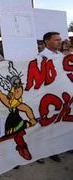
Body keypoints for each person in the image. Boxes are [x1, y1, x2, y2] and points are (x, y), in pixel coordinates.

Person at [36, 31, 63, 164]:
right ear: (46, 41)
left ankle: (54, 149)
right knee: (46, 124)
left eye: (60, 39)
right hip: (48, 96)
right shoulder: (42, 57)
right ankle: (40, 152)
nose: (59, 41)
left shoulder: (60, 55)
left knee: (58, 123)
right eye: (56, 39)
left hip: (61, 95)